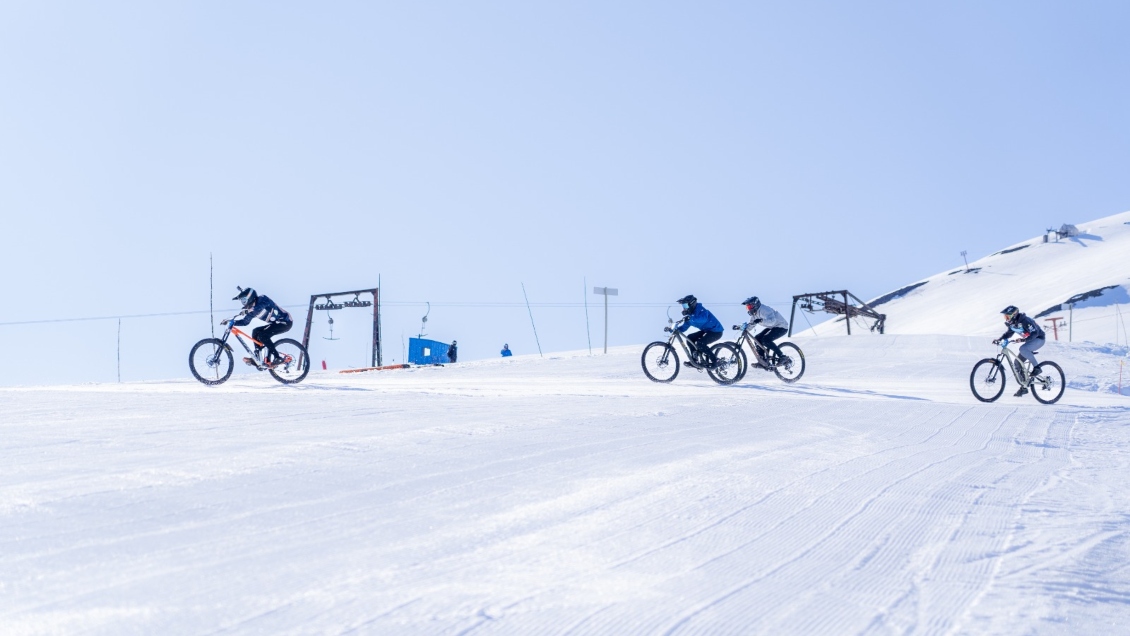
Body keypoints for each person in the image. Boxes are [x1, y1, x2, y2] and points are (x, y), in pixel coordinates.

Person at [223, 287, 293, 368]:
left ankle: (278, 358)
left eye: (244, 300)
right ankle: (257, 358)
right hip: (276, 323)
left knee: (263, 335)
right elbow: (245, 322)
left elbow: (261, 306)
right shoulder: (251, 311)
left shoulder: (262, 299)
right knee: (255, 331)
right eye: (242, 301)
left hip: (285, 322)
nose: (244, 303)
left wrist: (247, 311)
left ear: (250, 297)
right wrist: (232, 322)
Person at [993, 305, 1046, 397]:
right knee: (1017, 363)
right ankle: (1024, 386)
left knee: (1023, 349)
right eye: (1005, 316)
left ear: (1014, 314)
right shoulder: (1013, 324)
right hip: (1030, 341)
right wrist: (1000, 339)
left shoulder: (1025, 321)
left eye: (1007, 316)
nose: (1006, 318)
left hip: (1039, 339)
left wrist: (1023, 340)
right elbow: (1008, 334)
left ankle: (1037, 368)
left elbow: (1035, 333)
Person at [669, 294, 724, 367]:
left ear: (691, 304)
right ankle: (695, 360)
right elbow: (684, 328)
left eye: (685, 306)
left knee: (700, 343)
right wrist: (674, 330)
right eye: (683, 306)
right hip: (706, 331)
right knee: (690, 338)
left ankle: (715, 360)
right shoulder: (690, 316)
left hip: (716, 331)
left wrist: (690, 318)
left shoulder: (701, 310)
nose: (684, 308)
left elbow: (702, 319)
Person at [737, 296, 790, 367]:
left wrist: (761, 320)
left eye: (749, 307)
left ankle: (783, 357)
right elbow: (751, 325)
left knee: (765, 340)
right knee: (757, 339)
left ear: (755, 305)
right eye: (747, 308)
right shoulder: (754, 315)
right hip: (773, 327)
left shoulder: (764, 310)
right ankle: (763, 361)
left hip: (781, 327)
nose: (748, 309)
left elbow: (772, 321)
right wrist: (742, 328)